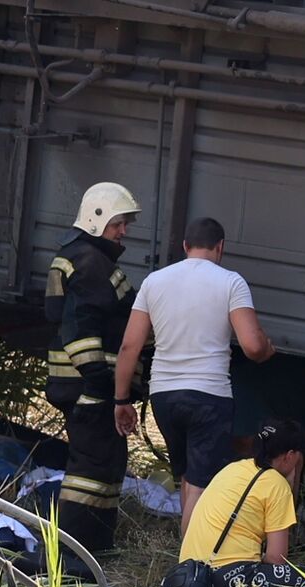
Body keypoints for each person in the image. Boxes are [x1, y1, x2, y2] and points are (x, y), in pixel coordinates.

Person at [113, 217, 276, 536]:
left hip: (164, 397)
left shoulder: (154, 282)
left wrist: (121, 399)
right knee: (203, 486)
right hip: (208, 397)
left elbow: (129, 346)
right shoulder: (231, 282)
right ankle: (191, 569)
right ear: (221, 247)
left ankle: (186, 564)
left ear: (185, 247)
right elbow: (252, 346)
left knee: (188, 478)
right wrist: (268, 349)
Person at [43, 182, 141, 553]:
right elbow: (81, 330)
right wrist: (102, 385)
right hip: (90, 386)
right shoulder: (89, 263)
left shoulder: (85, 258)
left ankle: (95, 546)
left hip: (87, 385)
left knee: (105, 464)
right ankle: (72, 553)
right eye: (119, 223)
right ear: (97, 220)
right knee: (91, 468)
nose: (123, 231)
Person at [178, 420, 305, 587]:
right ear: (289, 456)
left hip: (191, 575)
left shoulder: (232, 468)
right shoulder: (276, 486)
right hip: (227, 582)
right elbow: (277, 558)